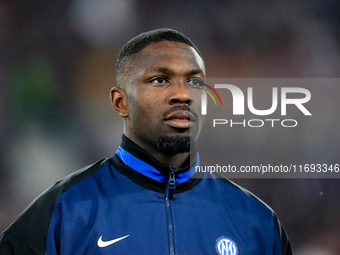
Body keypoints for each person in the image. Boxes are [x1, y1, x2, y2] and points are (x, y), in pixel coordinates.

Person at [0, 28, 292, 255]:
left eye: (195, 82)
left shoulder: (257, 222)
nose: (183, 94)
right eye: (160, 80)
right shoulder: (64, 212)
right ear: (120, 102)